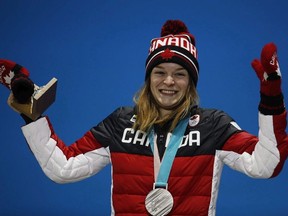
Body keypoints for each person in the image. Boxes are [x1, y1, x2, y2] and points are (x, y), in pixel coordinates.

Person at [1, 20, 287, 216]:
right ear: (149, 78)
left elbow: (266, 165)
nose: (169, 82)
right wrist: (33, 115)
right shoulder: (120, 122)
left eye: (180, 74)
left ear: (191, 82)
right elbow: (63, 168)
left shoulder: (214, 125)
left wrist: (271, 99)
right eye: (160, 72)